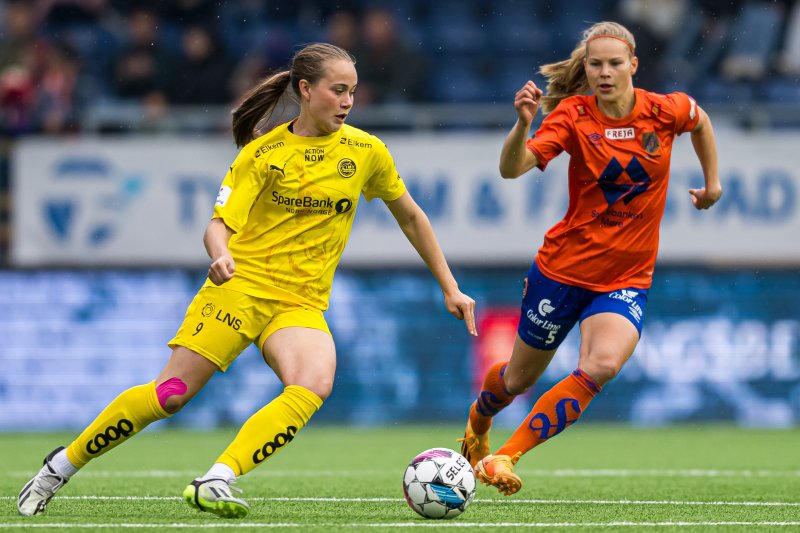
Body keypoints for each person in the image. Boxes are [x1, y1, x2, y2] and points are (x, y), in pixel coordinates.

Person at [18, 42, 477, 519]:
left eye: (353, 92)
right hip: (239, 289)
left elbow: (411, 217)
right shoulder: (263, 153)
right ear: (305, 89)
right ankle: (60, 466)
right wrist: (219, 257)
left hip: (299, 303)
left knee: (313, 382)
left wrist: (450, 286)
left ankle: (218, 477)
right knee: (169, 396)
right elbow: (218, 225)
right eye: (337, 90)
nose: (347, 102)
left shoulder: (366, 152)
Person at [458, 21, 721, 496]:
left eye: (615, 63)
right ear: (586, 68)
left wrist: (713, 183)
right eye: (595, 64)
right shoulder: (574, 116)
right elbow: (511, 169)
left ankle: (505, 456)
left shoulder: (664, 109)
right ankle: (478, 421)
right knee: (517, 379)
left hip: (626, 276)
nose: (604, 72)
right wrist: (523, 126)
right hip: (562, 271)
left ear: (633, 66)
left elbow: (700, 120)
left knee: (600, 364)